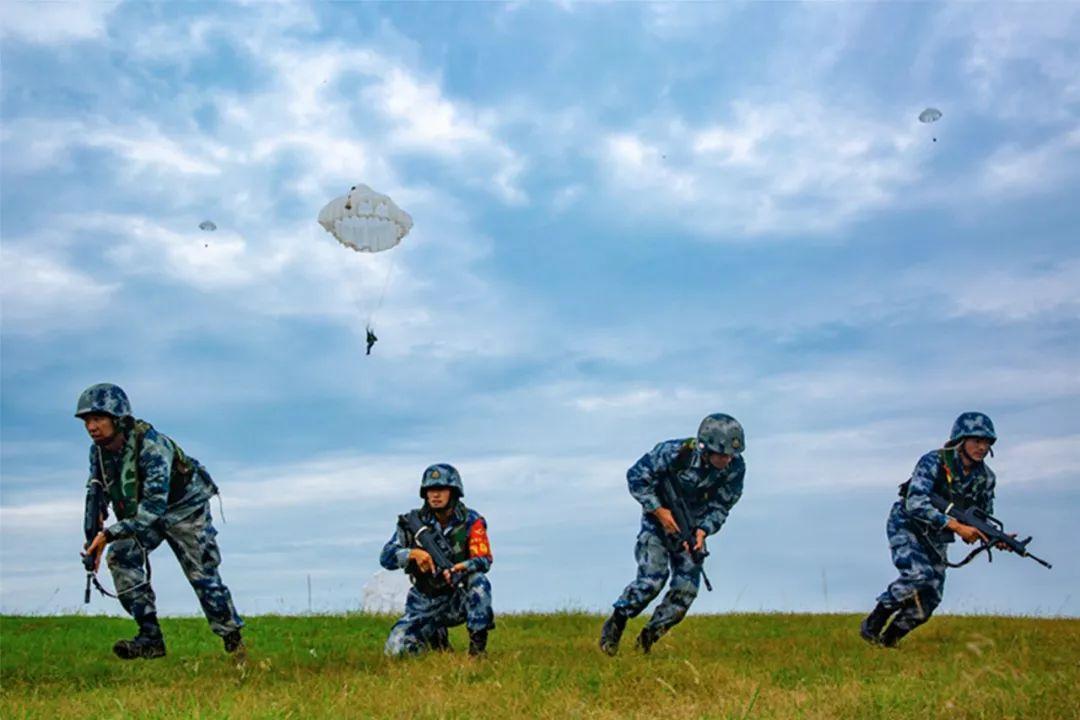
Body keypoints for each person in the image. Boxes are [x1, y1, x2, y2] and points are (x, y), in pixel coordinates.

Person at [77, 383, 244, 659]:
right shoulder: (98, 453)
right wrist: (93, 537)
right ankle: (150, 638)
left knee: (202, 576)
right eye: (87, 421)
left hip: (184, 509)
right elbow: (97, 492)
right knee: (121, 557)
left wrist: (108, 535)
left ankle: (235, 644)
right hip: (144, 512)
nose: (91, 427)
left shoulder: (152, 447)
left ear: (117, 417)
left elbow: (152, 510)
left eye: (98, 418)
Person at [599, 413, 746, 655]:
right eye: (722, 454)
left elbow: (722, 506)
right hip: (658, 524)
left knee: (685, 592)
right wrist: (659, 511)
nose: (727, 459)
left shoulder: (735, 468)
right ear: (705, 447)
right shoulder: (675, 452)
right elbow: (636, 477)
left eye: (731, 455)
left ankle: (645, 642)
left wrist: (703, 531)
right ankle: (617, 622)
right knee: (651, 582)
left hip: (692, 528)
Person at [860, 412, 998, 648]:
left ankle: (888, 642)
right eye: (977, 441)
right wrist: (956, 527)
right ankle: (873, 624)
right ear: (961, 440)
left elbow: (982, 516)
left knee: (931, 595)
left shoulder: (985, 478)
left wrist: (995, 537)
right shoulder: (934, 461)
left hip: (936, 536)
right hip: (907, 524)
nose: (982, 447)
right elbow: (915, 503)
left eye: (987, 442)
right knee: (918, 575)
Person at [380, 464, 494, 657]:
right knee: (395, 651)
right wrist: (412, 554)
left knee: (479, 582)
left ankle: (477, 652)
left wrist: (461, 568)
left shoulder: (471, 520)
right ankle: (435, 639)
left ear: (454, 492)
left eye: (441, 490)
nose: (435, 495)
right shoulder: (412, 522)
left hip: (457, 597)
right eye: (431, 490)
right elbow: (386, 557)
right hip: (424, 600)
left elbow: (484, 560)